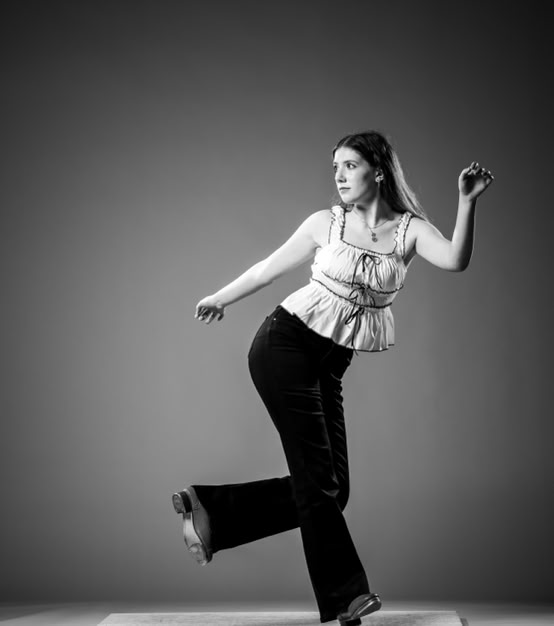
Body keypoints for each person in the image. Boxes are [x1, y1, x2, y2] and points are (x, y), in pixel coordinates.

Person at [172, 130, 494, 625]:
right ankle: (347, 597)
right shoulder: (326, 223)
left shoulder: (409, 231)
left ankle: (210, 511)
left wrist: (466, 202)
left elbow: (455, 259)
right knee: (319, 482)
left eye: (350, 166)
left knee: (333, 488)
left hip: (329, 362)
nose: (340, 176)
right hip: (284, 346)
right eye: (336, 167)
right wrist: (219, 297)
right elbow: (266, 269)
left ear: (378, 171)